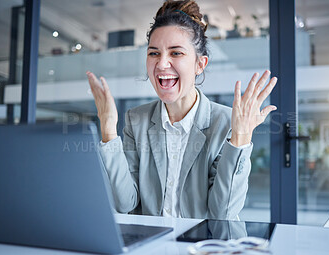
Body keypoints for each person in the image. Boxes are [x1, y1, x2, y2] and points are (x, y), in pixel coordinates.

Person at [86, 0, 277, 220]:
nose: (161, 64)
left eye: (176, 53)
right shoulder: (136, 119)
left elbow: (222, 214)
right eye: (154, 53)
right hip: (153, 247)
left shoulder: (226, 122)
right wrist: (109, 130)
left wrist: (240, 138)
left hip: (205, 250)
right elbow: (124, 203)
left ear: (200, 64)